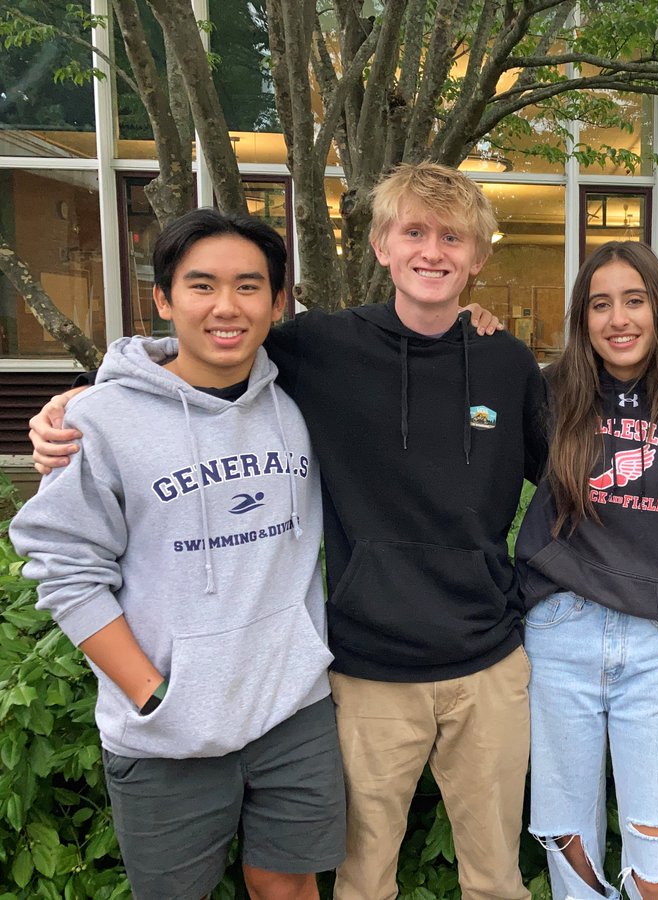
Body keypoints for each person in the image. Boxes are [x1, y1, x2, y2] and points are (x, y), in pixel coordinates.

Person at [28, 163, 547, 900]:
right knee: (362, 881)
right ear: (381, 245)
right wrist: (86, 399)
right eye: (414, 232)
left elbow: (567, 476)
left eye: (453, 238)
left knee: (496, 880)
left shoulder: (506, 361)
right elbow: (203, 348)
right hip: (367, 666)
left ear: (479, 256)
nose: (432, 252)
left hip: (486, 660)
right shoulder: (320, 347)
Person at [9, 209, 345, 899]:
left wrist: (467, 314)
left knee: (288, 885)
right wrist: (150, 692)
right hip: (165, 729)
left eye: (248, 286)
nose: (226, 306)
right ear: (163, 299)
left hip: (292, 709)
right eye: (202, 285)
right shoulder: (101, 422)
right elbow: (66, 570)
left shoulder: (301, 400)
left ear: (277, 301)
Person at [515, 241, 658, 900]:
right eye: (600, 304)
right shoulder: (550, 392)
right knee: (567, 840)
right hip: (560, 632)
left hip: (653, 643)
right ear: (583, 317)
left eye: (634, 300)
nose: (618, 319)